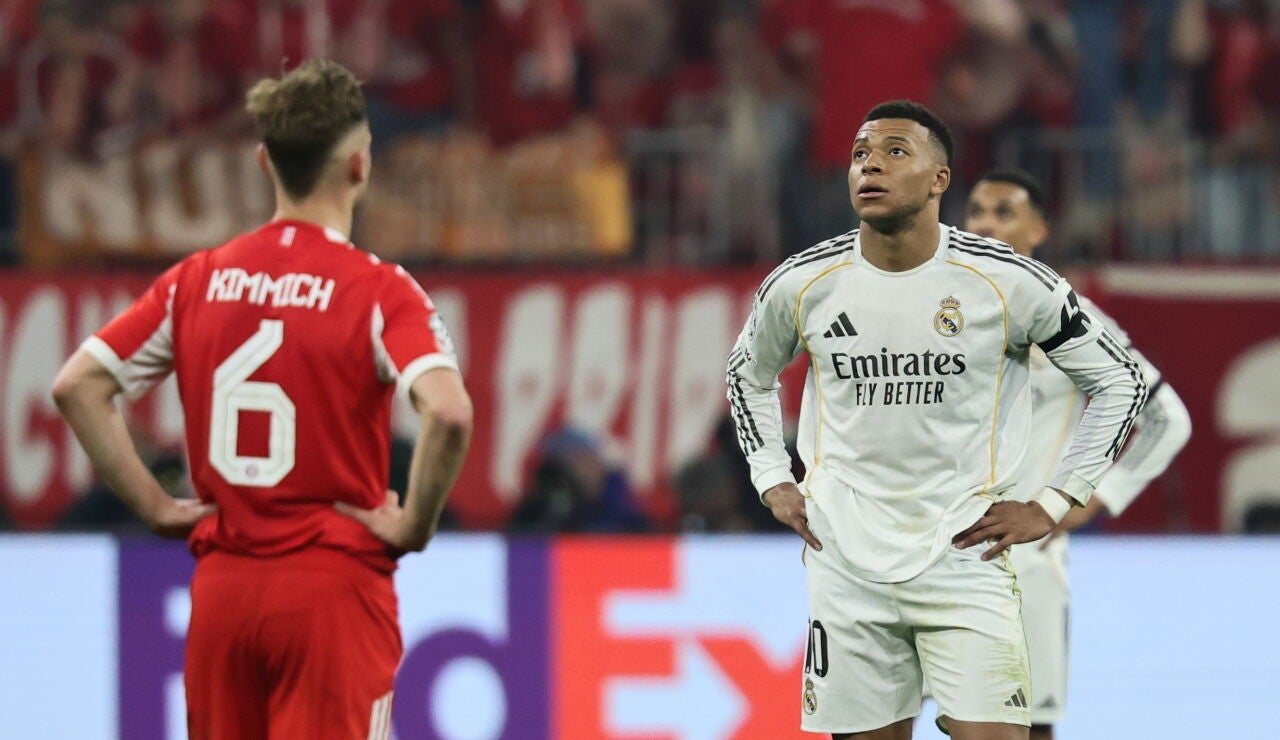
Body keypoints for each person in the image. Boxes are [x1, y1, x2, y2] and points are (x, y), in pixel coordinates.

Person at [50, 60, 472, 740]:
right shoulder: (380, 292)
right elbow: (449, 412)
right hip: (331, 590)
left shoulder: (197, 280)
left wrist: (157, 506)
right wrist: (415, 523)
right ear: (361, 165)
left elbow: (78, 385)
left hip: (224, 591)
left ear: (262, 162)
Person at [726, 100, 1148, 740]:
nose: (871, 163)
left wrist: (1056, 499)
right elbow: (746, 372)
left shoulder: (1009, 282)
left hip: (965, 560)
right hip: (846, 565)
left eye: (896, 151)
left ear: (939, 180)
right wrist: (770, 477)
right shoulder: (803, 283)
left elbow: (1121, 380)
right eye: (861, 152)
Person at [963, 169, 1192, 740]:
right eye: (976, 211)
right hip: (926, 558)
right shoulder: (936, 314)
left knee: (1031, 729)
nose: (985, 224)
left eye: (1003, 212)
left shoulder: (1071, 318)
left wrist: (1091, 499)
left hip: (1025, 564)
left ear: (1040, 229)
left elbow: (1168, 419)